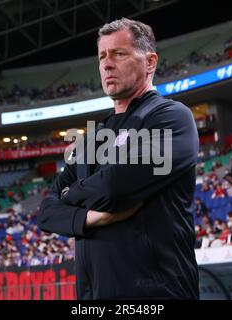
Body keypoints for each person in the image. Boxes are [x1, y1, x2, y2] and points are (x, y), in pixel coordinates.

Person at [38, 18, 200, 300]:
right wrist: (90, 218)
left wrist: (70, 195)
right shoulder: (93, 137)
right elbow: (47, 212)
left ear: (150, 62)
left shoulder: (170, 117)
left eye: (119, 54)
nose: (106, 64)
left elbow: (115, 187)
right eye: (102, 56)